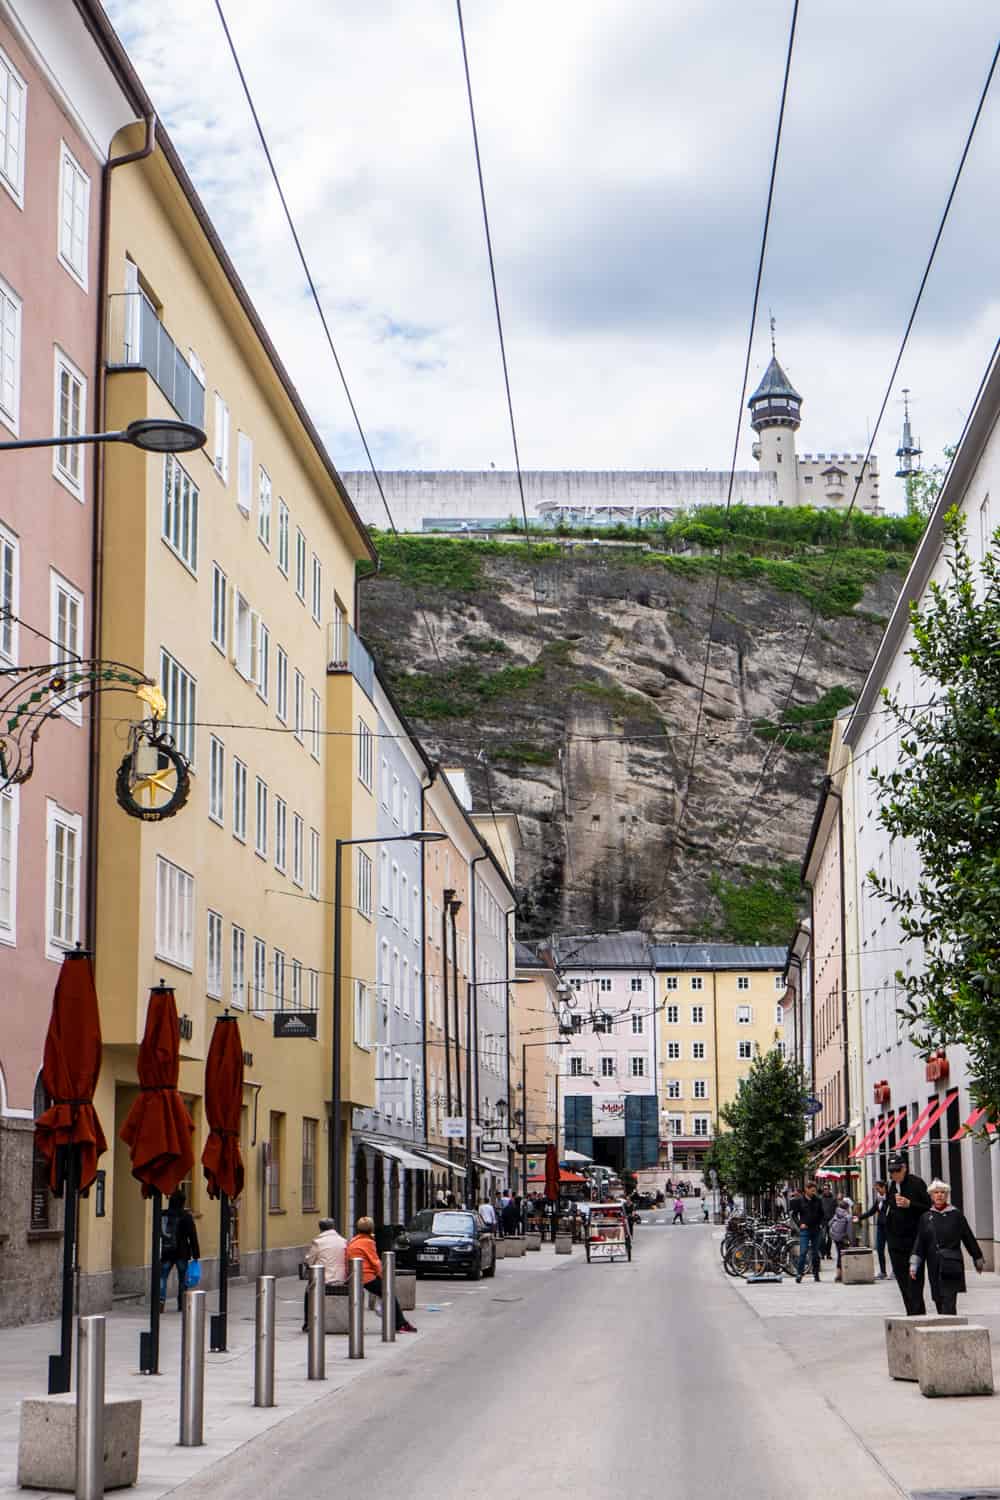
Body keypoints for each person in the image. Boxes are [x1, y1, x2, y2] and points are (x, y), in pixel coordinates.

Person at [910, 1178, 985, 1315]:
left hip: (952, 1263)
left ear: (947, 1195)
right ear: (931, 1196)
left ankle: (950, 1328)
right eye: (936, 1192)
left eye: (943, 1192)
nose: (939, 1195)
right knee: (938, 1298)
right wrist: (914, 1264)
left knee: (949, 1300)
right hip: (934, 1264)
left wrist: (977, 1258)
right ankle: (945, 1328)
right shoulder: (926, 1217)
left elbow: (968, 1237)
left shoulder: (956, 1215)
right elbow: (920, 1242)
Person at [345, 1216, 416, 1333]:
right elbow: (375, 1262)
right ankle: (401, 1324)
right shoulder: (367, 1242)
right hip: (366, 1277)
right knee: (389, 1294)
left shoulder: (355, 1240)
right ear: (371, 1228)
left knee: (386, 1293)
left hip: (356, 1275)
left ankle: (399, 1322)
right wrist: (385, 1277)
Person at [884, 1152, 932, 1315]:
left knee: (915, 1282)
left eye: (897, 1170)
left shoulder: (916, 1183)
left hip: (914, 1242)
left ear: (904, 1168)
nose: (894, 1174)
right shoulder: (891, 1186)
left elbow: (928, 1208)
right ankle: (911, 1315)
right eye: (891, 1171)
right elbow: (887, 1209)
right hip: (895, 1242)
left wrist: (910, 1204)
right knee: (903, 1282)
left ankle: (919, 1315)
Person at [301, 1217, 347, 1332]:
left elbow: (309, 1261)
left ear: (320, 1228)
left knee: (308, 1292)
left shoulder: (318, 1242)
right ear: (333, 1227)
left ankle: (308, 1323)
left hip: (324, 1280)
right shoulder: (343, 1241)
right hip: (342, 1278)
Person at [160, 1188, 200, 1312]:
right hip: (182, 1253)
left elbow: (159, 1232)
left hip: (167, 1252)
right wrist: (196, 1254)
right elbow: (192, 1236)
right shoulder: (186, 1216)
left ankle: (160, 1303)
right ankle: (181, 1304)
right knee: (182, 1278)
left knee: (162, 1277)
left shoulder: (164, 1215)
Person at [790, 1180, 825, 1283]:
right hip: (805, 1230)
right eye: (812, 1190)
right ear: (806, 1189)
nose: (814, 1192)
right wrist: (800, 1224)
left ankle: (816, 1274)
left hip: (816, 1229)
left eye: (814, 1191)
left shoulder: (818, 1200)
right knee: (803, 1252)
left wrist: (822, 1224)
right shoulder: (800, 1201)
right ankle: (799, 1274)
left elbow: (822, 1214)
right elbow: (794, 1215)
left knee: (815, 1253)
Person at [858, 1180, 889, 1278]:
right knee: (880, 1249)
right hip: (880, 1226)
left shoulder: (890, 1198)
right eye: (876, 1189)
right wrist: (859, 1217)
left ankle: (896, 1272)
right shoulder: (879, 1199)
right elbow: (872, 1211)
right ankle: (883, 1272)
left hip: (890, 1227)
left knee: (893, 1250)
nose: (877, 1191)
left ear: (884, 1187)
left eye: (878, 1189)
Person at [830, 1196, 854, 1281]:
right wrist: (852, 1242)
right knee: (842, 1256)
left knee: (839, 1254)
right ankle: (840, 1275)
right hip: (842, 1238)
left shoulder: (837, 1213)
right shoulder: (848, 1216)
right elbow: (849, 1231)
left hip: (835, 1236)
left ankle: (839, 1274)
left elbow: (830, 1223)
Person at [819, 1182, 837, 1259]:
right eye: (824, 1189)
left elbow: (835, 1210)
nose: (825, 1190)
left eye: (826, 1189)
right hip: (823, 1221)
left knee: (830, 1238)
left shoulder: (833, 1199)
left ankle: (828, 1253)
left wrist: (834, 1219)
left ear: (829, 1189)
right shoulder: (820, 1199)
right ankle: (823, 1253)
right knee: (822, 1238)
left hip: (831, 1221)